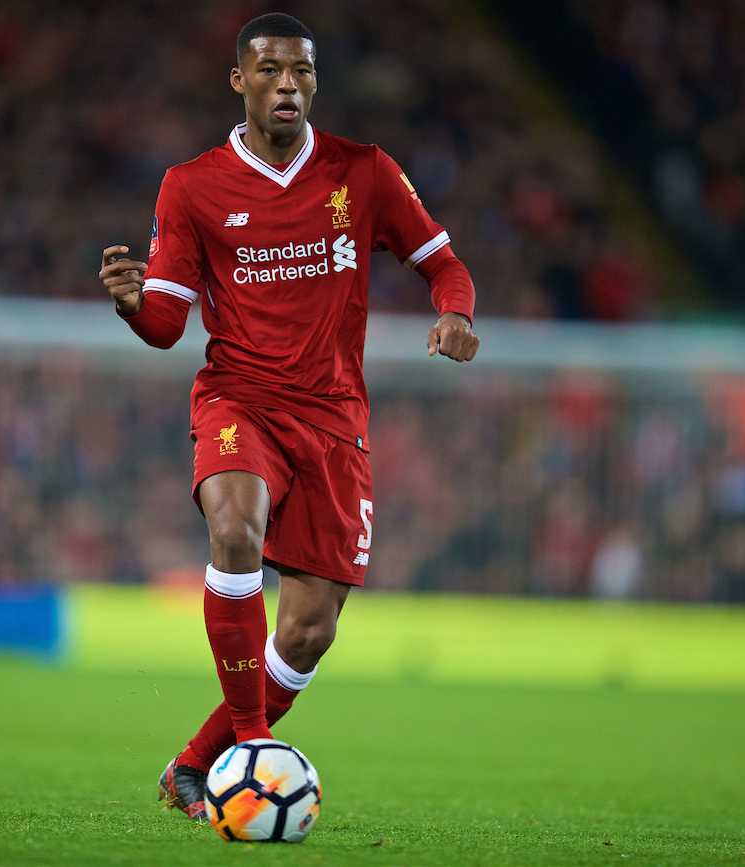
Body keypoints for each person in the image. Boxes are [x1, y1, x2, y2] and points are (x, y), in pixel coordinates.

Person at [98, 12, 479, 822]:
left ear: (315, 81)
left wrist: (455, 313)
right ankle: (250, 747)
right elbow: (167, 325)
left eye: (301, 72)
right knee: (234, 530)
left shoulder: (364, 171)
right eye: (269, 71)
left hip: (335, 421)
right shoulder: (192, 186)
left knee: (307, 632)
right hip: (241, 399)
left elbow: (443, 262)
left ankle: (196, 765)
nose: (287, 85)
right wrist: (134, 306)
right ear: (240, 81)